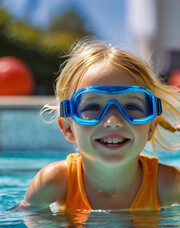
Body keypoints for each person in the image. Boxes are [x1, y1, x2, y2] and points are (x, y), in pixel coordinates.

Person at [19, 37, 180, 212]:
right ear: (67, 128)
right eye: (93, 107)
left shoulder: (168, 184)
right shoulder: (54, 182)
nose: (113, 121)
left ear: (150, 127)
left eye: (131, 106)